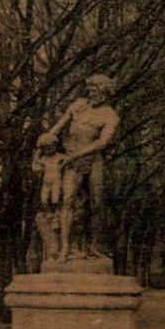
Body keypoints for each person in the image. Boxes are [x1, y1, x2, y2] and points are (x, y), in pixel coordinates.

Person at [44, 73, 121, 259]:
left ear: (105, 92)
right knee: (67, 200)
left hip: (93, 161)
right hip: (72, 160)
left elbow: (102, 143)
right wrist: (49, 136)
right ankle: (65, 247)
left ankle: (93, 246)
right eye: (90, 89)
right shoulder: (78, 105)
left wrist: (76, 155)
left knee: (96, 204)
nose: (91, 92)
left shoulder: (111, 116)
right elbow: (59, 125)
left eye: (95, 89)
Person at [31, 131, 67, 263]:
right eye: (46, 147)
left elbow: (67, 164)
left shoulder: (61, 157)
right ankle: (50, 213)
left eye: (52, 146)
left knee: (56, 198)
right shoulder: (43, 159)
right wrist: (36, 156)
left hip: (57, 181)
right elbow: (35, 168)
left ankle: (57, 214)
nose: (50, 149)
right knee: (44, 200)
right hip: (47, 182)